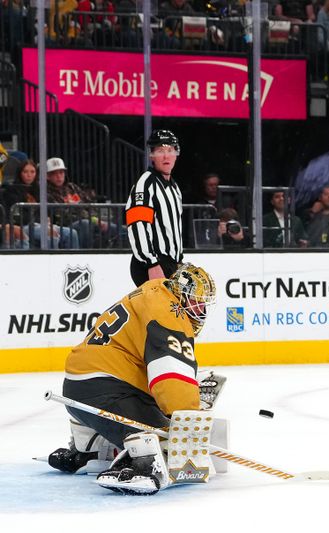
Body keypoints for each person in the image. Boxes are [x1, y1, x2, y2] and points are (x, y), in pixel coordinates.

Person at [47, 263, 219, 495]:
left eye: (203, 304)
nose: (200, 310)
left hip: (76, 390)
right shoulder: (170, 312)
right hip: (106, 391)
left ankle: (89, 448)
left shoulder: (154, 290)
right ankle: (146, 462)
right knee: (165, 436)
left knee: (147, 409)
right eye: (196, 301)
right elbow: (171, 377)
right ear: (181, 294)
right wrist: (188, 421)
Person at [125, 130, 184, 287]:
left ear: (176, 154)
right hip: (153, 264)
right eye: (160, 151)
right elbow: (138, 226)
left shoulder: (174, 187)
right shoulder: (145, 185)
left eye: (170, 150)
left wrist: (178, 261)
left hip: (170, 264)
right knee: (163, 311)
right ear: (151, 155)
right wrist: (151, 263)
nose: (166, 156)